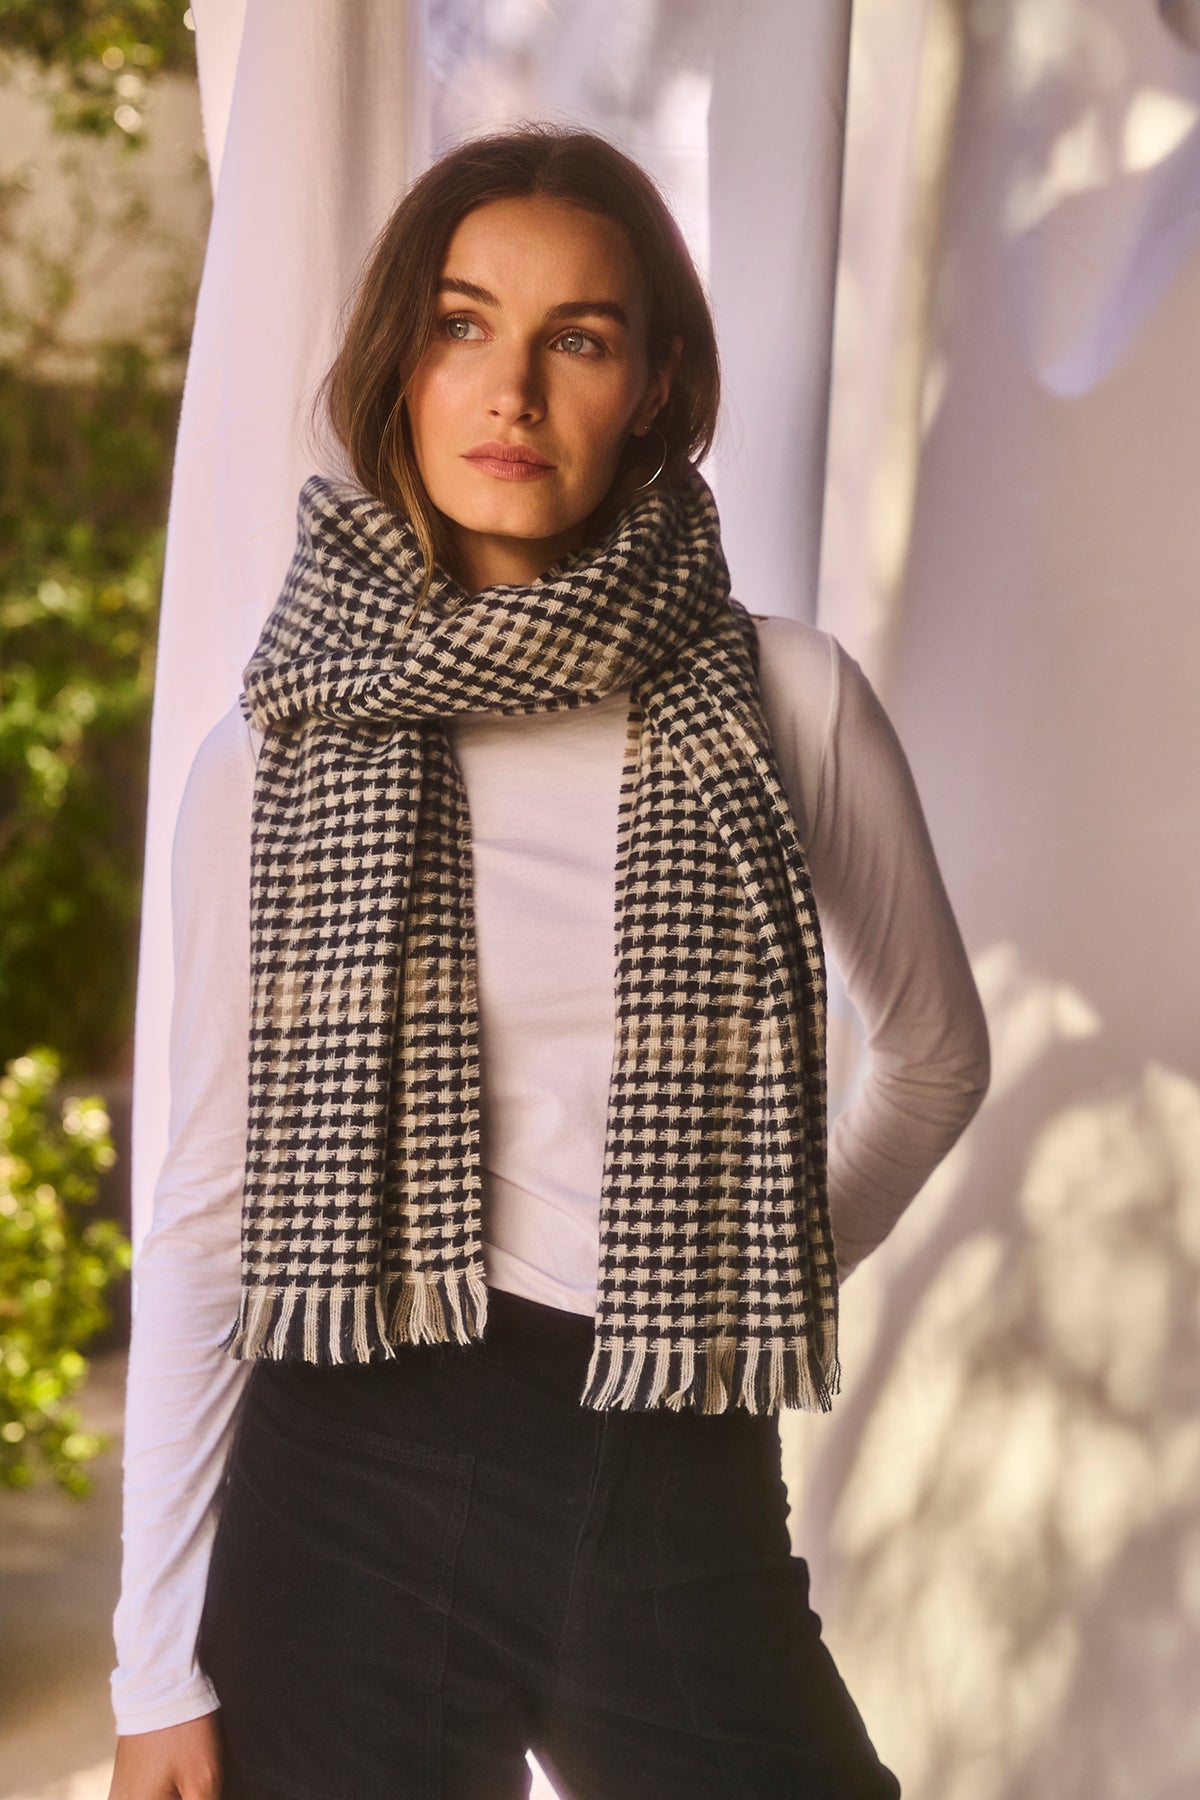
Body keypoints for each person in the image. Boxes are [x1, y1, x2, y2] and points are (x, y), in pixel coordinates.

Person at [107, 123, 990, 1800]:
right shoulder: (275, 755)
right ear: (404, 363)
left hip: (659, 1475)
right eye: (462, 324)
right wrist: (155, 1663)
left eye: (577, 337)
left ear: (652, 385)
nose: (511, 388)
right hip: (344, 1474)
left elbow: (937, 1058)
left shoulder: (784, 702)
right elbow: (209, 1209)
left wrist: (738, 1283)